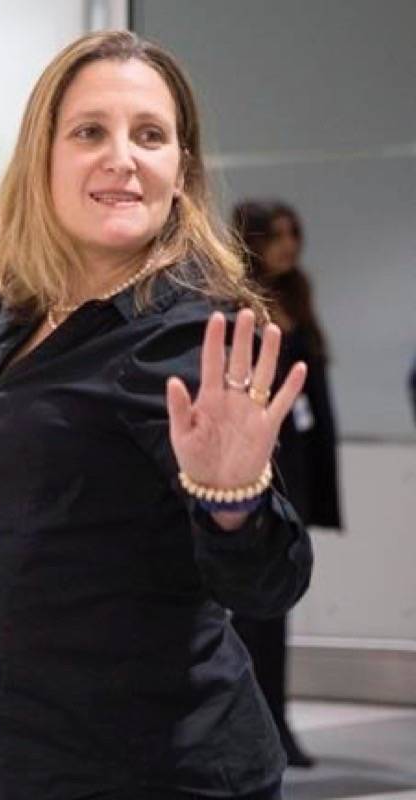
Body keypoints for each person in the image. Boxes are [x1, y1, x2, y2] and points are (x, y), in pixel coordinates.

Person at [0, 31, 313, 800]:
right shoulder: (26, 310)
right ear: (42, 155)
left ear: (180, 170)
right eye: (90, 132)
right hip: (25, 754)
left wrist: (234, 500)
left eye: (151, 135)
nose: (123, 157)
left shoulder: (185, 333)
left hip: (153, 769)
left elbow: (269, 581)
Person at [232, 199, 342, 767]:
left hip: (297, 461)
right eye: (277, 235)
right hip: (258, 464)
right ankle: (262, 723)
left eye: (294, 234)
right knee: (256, 608)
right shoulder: (233, 304)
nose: (289, 246)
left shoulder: (295, 295)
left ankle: (276, 720)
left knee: (277, 603)